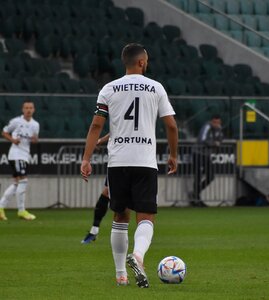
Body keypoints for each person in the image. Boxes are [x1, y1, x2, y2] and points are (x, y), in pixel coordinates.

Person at [80, 43, 178, 288]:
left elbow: (95, 126)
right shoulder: (156, 88)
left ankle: (121, 274)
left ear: (125, 62)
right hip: (145, 161)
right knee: (146, 217)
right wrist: (173, 155)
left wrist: (86, 158)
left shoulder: (109, 88)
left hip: (118, 162)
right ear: (142, 62)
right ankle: (139, 256)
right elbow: (172, 126)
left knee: (119, 216)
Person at [0, 100, 39, 221]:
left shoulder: (35, 124)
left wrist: (34, 140)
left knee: (17, 183)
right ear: (23, 109)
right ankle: (21, 211)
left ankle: (0, 208)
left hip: (25, 155)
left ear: (34, 110)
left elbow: (35, 139)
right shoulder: (16, 121)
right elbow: (4, 132)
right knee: (23, 180)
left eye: (30, 108)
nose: (28, 110)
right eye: (26, 108)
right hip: (16, 154)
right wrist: (12, 140)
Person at [81, 133, 110, 244]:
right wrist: (100, 140)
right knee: (107, 193)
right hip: (119, 161)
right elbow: (117, 128)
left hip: (135, 160)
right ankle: (94, 230)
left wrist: (100, 140)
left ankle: (142, 242)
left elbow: (96, 124)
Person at [190, 114, 223, 207]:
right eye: (216, 122)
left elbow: (220, 139)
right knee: (198, 176)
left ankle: (195, 193)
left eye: (219, 123)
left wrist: (217, 143)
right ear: (212, 121)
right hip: (198, 153)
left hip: (206, 154)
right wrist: (213, 143)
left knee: (211, 176)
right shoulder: (207, 127)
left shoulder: (219, 129)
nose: (217, 124)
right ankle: (196, 198)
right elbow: (202, 139)